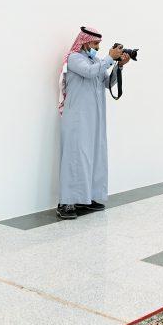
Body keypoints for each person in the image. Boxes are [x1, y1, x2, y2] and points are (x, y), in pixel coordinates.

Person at [57, 27, 130, 220]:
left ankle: (85, 199)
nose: (97, 47)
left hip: (94, 119)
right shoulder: (74, 58)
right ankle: (66, 202)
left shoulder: (97, 62)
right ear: (85, 42)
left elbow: (108, 83)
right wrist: (109, 57)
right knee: (75, 158)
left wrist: (119, 66)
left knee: (93, 157)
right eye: (95, 44)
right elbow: (89, 73)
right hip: (77, 118)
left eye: (99, 44)